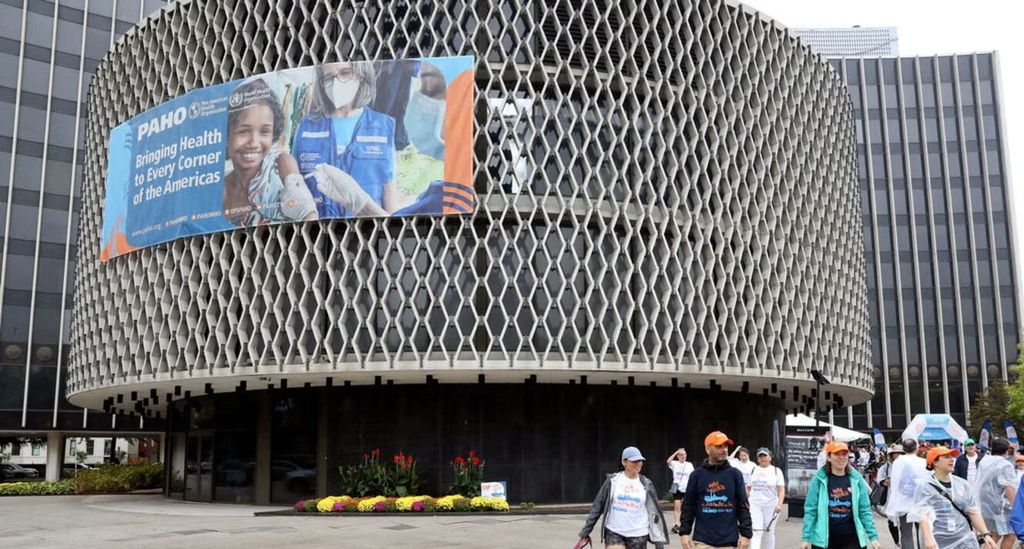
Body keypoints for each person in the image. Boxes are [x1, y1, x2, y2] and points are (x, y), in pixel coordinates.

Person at [292, 61, 397, 218]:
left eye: (345, 73)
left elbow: (389, 191)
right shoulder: (306, 128)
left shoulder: (382, 126)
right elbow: (295, 187)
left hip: (368, 228)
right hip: (319, 230)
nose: (337, 83)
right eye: (329, 78)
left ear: (361, 75)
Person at [222, 79, 317, 226]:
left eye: (264, 131)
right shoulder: (220, 187)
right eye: (244, 131)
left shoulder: (280, 163)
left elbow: (306, 209)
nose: (254, 143)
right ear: (227, 134)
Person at [579, 446, 669, 549]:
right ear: (624, 462)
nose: (638, 464)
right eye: (634, 461)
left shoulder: (647, 484)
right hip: (614, 531)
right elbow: (598, 506)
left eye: (640, 461)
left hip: (638, 534)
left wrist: (659, 542)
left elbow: (654, 513)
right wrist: (586, 530)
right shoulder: (613, 481)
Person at [908, 446, 997, 549]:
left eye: (952, 456)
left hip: (965, 540)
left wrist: (986, 534)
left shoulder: (962, 484)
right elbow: (923, 515)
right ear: (935, 462)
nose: (952, 459)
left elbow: (973, 511)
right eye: (947, 457)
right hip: (938, 542)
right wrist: (928, 539)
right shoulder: (925, 486)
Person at [800, 441, 881, 549]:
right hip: (824, 540)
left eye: (844, 454)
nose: (841, 457)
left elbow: (864, 510)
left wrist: (873, 536)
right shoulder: (819, 480)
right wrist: (806, 537)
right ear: (829, 457)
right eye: (837, 454)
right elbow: (811, 510)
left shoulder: (856, 479)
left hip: (852, 539)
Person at [678, 431, 752, 549]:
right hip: (703, 540)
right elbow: (688, 506)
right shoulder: (696, 475)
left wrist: (746, 534)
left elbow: (743, 506)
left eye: (726, 446)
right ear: (708, 449)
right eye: (719, 446)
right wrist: (684, 533)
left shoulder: (735, 475)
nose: (724, 450)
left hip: (729, 540)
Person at [973, 438, 1018, 549]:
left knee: (995, 534)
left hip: (985, 505)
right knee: (1011, 535)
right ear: (1006, 450)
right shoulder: (1005, 465)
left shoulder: (985, 461)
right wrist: (1016, 508)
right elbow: (1009, 487)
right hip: (1001, 507)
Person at [885, 439, 930, 549]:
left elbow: (895, 484)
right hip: (920, 503)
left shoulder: (897, 462)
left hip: (903, 503)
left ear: (903, 449)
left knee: (906, 534)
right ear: (917, 448)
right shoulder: (923, 462)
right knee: (923, 532)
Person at [748, 448, 785, 549]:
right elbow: (748, 487)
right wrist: (746, 502)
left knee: (768, 532)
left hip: (771, 505)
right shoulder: (753, 470)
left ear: (770, 457)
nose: (763, 458)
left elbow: (781, 489)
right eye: (760, 456)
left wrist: (779, 504)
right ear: (757, 459)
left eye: (765, 456)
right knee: (756, 531)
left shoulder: (776, 471)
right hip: (755, 504)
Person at [874, 443, 905, 545]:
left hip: (904, 498)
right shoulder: (886, 467)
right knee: (891, 521)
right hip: (890, 497)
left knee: (904, 522)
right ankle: (897, 542)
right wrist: (889, 481)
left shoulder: (907, 467)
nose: (899, 456)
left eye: (901, 453)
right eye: (896, 453)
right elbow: (881, 481)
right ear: (892, 455)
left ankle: (905, 541)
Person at [667, 448, 695, 534]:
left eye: (685, 454)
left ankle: (684, 523)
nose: (684, 456)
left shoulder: (689, 464)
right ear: (678, 456)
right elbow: (668, 461)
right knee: (677, 506)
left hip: (686, 487)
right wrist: (676, 452)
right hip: (676, 487)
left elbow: (693, 475)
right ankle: (677, 524)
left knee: (686, 507)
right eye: (682, 455)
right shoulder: (675, 463)